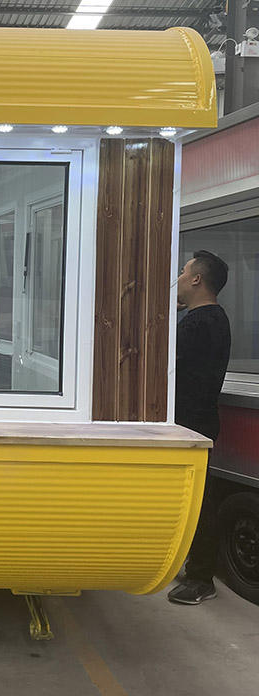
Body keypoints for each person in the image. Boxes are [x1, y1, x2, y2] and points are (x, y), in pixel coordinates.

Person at [167, 250, 230, 606]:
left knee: (199, 503)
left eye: (183, 271)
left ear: (196, 279)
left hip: (192, 426)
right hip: (197, 422)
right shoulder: (209, 319)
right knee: (192, 500)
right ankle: (194, 567)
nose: (177, 277)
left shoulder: (199, 324)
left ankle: (202, 579)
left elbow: (164, 357)